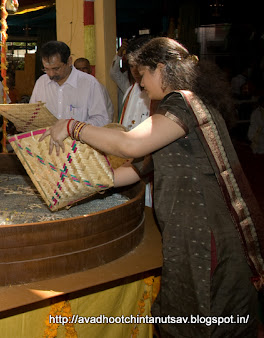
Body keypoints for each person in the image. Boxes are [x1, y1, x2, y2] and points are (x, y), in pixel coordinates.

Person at [41, 37, 263, 337]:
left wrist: (72, 126)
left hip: (205, 232)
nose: (141, 84)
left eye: (143, 75)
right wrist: (75, 185)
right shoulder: (179, 109)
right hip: (185, 228)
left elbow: (131, 145)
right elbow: (135, 170)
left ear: (161, 69)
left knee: (208, 313)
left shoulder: (183, 103)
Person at [30, 41, 110, 126]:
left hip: (77, 139)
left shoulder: (89, 84)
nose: (51, 74)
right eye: (46, 69)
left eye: (56, 69)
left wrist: (72, 128)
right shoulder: (41, 82)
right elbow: (32, 115)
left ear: (69, 61)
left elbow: (102, 120)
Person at [72, 57, 114, 123]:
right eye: (78, 69)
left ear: (90, 70)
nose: (81, 72)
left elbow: (106, 114)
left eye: (84, 68)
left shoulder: (98, 88)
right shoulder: (70, 89)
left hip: (94, 129)